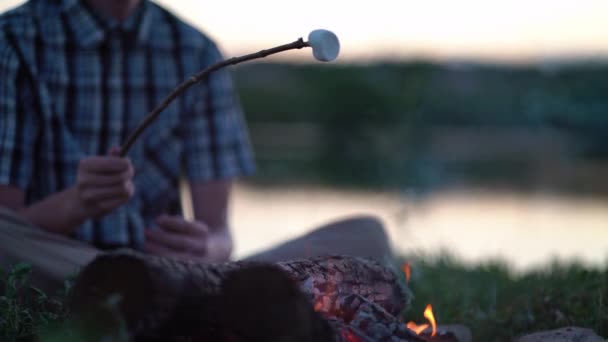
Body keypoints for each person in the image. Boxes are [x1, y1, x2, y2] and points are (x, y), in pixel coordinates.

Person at [0, 0, 392, 292]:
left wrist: (205, 249)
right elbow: (10, 226)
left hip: (174, 276)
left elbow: (220, 232)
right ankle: (181, 305)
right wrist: (75, 204)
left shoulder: (196, 51)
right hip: (60, 269)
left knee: (367, 237)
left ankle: (179, 301)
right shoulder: (14, 40)